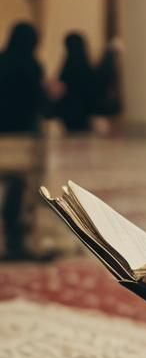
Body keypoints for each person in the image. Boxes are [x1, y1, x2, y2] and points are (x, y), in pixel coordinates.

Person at [0, 21, 52, 259]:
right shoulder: (32, 67)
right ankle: (16, 234)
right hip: (24, 146)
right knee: (21, 182)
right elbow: (41, 104)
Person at [52, 31, 96, 134]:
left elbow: (61, 85)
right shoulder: (86, 65)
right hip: (85, 110)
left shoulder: (68, 65)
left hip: (68, 110)